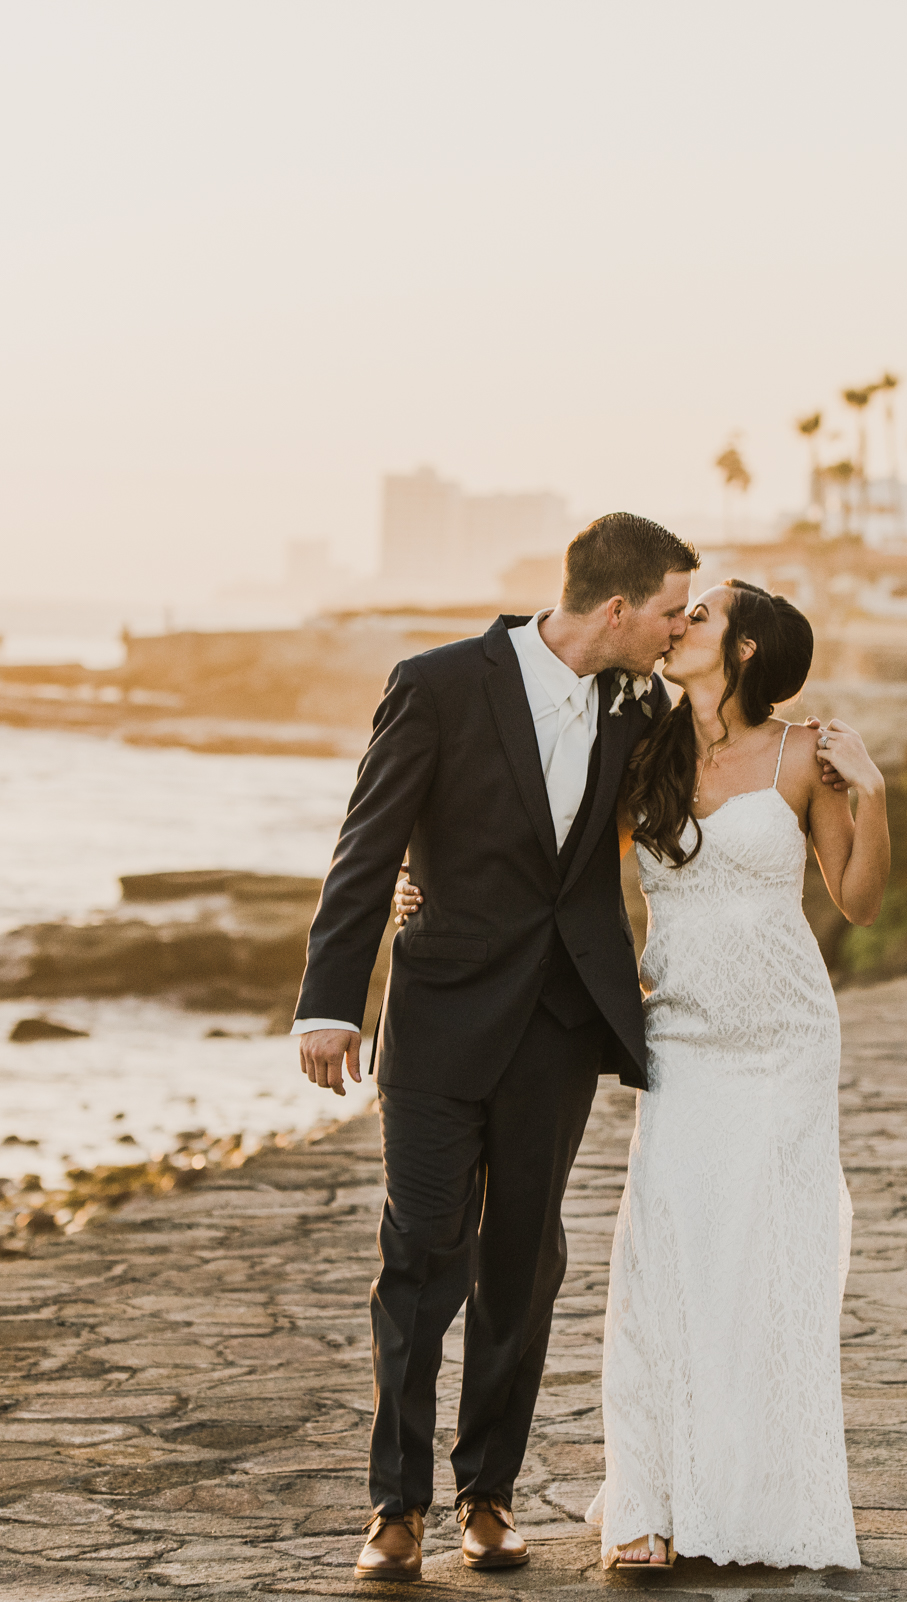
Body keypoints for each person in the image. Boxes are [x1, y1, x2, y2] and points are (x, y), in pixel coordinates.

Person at [396, 578, 890, 1571]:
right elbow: (552, 845)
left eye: (700, 616)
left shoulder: (807, 756)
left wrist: (871, 792)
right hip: (682, 1044)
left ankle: (758, 1495)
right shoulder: (645, 752)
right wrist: (434, 879)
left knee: (768, 1264)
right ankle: (651, 1504)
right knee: (664, 1261)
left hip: (786, 1041)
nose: (679, 625)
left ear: (746, 650)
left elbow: (860, 898)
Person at [292, 512, 695, 1582]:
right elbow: (367, 843)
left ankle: (489, 1495)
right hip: (437, 1021)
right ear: (615, 608)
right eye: (665, 613)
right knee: (422, 1254)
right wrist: (329, 1000)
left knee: (524, 1262)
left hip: (558, 1028)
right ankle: (396, 1508)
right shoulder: (437, 683)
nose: (674, 631)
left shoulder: (643, 707)